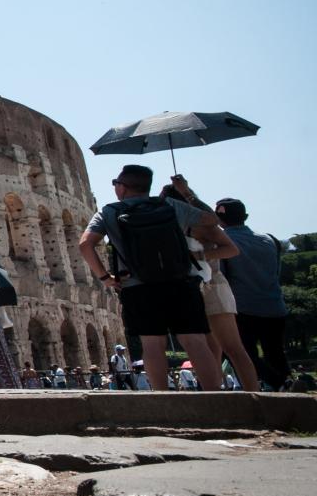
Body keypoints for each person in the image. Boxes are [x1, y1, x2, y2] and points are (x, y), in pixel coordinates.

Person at [79, 164, 223, 391]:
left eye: (116, 183)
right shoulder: (170, 205)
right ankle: (218, 400)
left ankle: (163, 402)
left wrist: (106, 277)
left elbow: (85, 244)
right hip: (180, 281)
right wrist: (186, 192)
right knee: (195, 342)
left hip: (138, 286)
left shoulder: (109, 212)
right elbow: (212, 220)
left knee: (152, 345)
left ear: (123, 187)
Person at [160, 179, 259, 392]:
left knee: (232, 347)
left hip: (212, 284)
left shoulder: (201, 225)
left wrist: (200, 255)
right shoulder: (169, 226)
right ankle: (215, 394)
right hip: (188, 288)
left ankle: (255, 395)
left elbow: (231, 249)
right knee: (207, 348)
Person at [215, 197, 290, 391]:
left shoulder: (224, 244)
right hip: (274, 305)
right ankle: (288, 388)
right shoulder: (270, 239)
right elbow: (276, 273)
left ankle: (278, 383)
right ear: (245, 216)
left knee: (240, 354)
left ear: (219, 220)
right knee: (275, 352)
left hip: (243, 308)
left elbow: (222, 276)